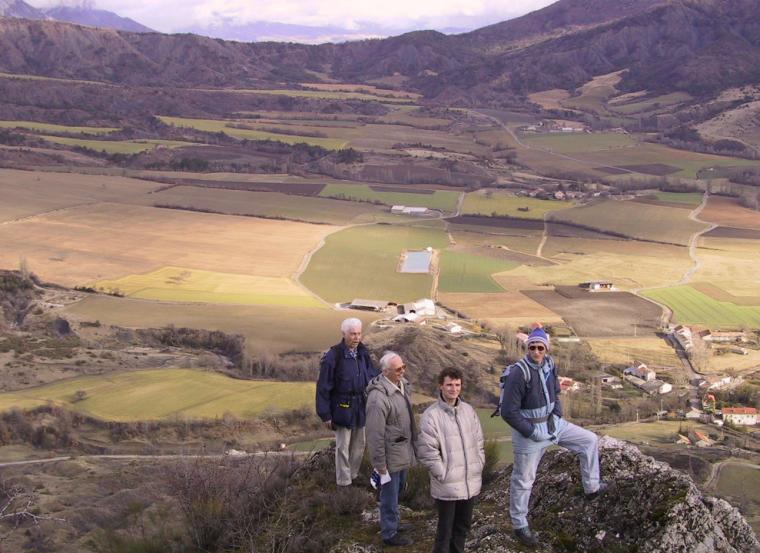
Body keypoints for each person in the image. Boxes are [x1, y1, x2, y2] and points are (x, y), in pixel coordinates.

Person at [501, 325, 606, 547]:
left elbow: (556, 392)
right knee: (524, 480)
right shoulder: (519, 373)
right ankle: (520, 525)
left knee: (589, 440)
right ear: (527, 348)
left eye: (540, 347)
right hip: (528, 432)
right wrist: (531, 432)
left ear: (546, 349)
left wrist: (557, 413)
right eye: (532, 347)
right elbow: (508, 412)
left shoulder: (549, 364)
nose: (536, 352)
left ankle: (592, 488)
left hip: (552, 423)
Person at [417, 367, 484, 553]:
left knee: (462, 527)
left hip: (469, 482)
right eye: (449, 385)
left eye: (457, 385)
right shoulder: (431, 416)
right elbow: (427, 451)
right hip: (447, 484)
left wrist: (479, 464)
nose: (453, 389)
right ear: (440, 386)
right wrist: (443, 474)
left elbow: (478, 441)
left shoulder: (468, 411)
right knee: (445, 531)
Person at [316, 318, 378, 487]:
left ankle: (353, 476)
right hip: (341, 407)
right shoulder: (333, 356)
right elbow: (323, 387)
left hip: (361, 406)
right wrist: (325, 415)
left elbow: (373, 377)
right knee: (343, 447)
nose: (356, 337)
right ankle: (343, 482)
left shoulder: (363, 354)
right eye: (352, 334)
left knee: (359, 444)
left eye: (358, 333)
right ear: (344, 334)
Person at [366, 351, 416, 547]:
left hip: (402, 451)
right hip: (389, 456)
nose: (402, 371)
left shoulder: (401, 387)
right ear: (385, 371)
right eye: (398, 369)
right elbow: (374, 434)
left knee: (397, 491)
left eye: (403, 367)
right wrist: (379, 465)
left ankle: (394, 522)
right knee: (388, 495)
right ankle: (389, 534)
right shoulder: (378, 399)